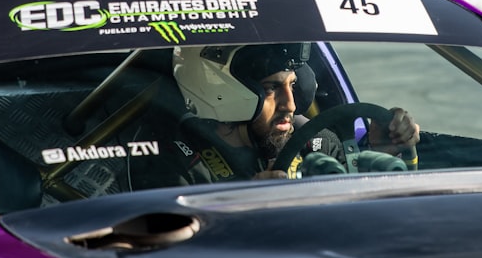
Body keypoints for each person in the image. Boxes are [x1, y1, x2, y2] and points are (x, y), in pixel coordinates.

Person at [145, 43, 419, 186]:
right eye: (272, 88)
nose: (290, 104)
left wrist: (385, 151)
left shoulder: (316, 144)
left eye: (293, 85)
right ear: (220, 89)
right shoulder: (178, 165)